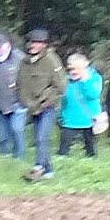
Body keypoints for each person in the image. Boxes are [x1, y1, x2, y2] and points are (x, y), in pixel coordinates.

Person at [19, 30, 66, 180]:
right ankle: (48, 170)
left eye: (38, 43)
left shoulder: (51, 60)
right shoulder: (25, 62)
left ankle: (39, 166)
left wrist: (47, 102)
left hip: (48, 107)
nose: (34, 45)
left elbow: (61, 85)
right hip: (32, 107)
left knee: (41, 137)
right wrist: (28, 104)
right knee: (39, 138)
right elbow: (22, 85)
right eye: (32, 42)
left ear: (44, 44)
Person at [0, 33, 27, 159]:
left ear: (8, 45)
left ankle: (19, 158)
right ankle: (4, 158)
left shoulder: (20, 58)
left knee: (17, 129)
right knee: (2, 135)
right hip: (0, 103)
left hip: (18, 102)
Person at [57, 53, 104, 159]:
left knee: (90, 149)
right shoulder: (67, 80)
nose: (73, 72)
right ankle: (62, 165)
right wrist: (61, 115)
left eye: (76, 69)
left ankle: (91, 166)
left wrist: (84, 80)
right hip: (69, 119)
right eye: (70, 68)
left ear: (84, 67)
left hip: (89, 119)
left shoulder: (95, 78)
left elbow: (93, 94)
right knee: (63, 149)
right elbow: (63, 99)